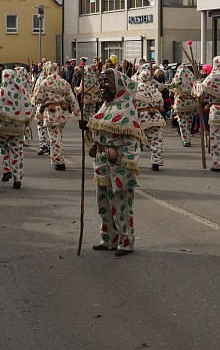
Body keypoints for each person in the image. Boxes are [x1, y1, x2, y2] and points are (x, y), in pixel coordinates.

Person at [82, 68, 145, 255]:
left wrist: (119, 157)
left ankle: (126, 242)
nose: (102, 85)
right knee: (104, 205)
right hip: (101, 165)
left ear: (117, 84)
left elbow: (133, 141)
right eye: (101, 81)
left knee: (121, 206)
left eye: (106, 81)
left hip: (119, 167)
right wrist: (89, 132)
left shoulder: (127, 107)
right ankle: (108, 238)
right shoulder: (105, 106)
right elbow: (98, 131)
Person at [0, 69, 34, 188]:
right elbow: (29, 109)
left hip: (3, 127)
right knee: (17, 152)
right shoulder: (22, 91)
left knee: (2, 147)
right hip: (18, 128)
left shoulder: (3, 91)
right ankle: (17, 179)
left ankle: (6, 169)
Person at [30, 62, 79, 171]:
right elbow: (72, 98)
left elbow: (37, 99)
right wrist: (76, 112)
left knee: (54, 138)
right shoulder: (64, 83)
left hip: (51, 114)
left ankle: (59, 162)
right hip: (63, 113)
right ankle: (58, 157)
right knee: (59, 136)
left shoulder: (45, 83)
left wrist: (33, 98)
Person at [135, 67, 167, 171]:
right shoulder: (154, 89)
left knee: (137, 141)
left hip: (141, 117)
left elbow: (133, 105)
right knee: (156, 140)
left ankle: (133, 162)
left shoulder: (136, 89)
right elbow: (161, 105)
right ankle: (156, 162)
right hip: (155, 117)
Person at [168, 63, 199, 147]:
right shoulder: (192, 78)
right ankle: (187, 137)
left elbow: (171, 88)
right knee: (189, 121)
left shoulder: (177, 78)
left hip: (180, 102)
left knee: (182, 121)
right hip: (191, 103)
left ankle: (185, 139)